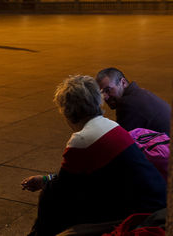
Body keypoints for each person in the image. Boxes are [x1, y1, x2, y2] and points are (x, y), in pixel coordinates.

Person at [21, 75, 166, 236]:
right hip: (155, 202)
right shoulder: (112, 126)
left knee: (50, 200)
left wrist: (46, 184)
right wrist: (45, 180)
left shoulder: (82, 139)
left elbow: (61, 190)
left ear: (66, 112)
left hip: (141, 213)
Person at [96, 68, 171, 136]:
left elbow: (122, 142)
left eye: (108, 90)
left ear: (123, 83)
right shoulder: (140, 93)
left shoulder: (127, 104)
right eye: (101, 93)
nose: (105, 97)